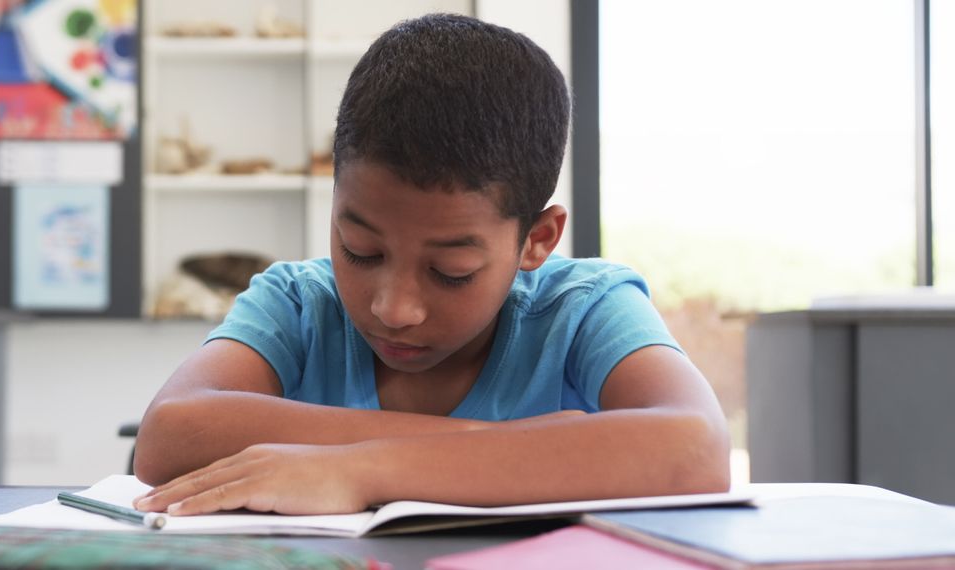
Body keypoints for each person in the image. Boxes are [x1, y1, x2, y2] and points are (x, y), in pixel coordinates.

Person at [132, 13, 729, 517]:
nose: (393, 308)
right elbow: (170, 434)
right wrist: (516, 451)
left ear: (537, 239)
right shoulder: (299, 302)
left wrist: (363, 470)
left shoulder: (584, 309)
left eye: (451, 270)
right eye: (360, 251)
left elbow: (696, 448)